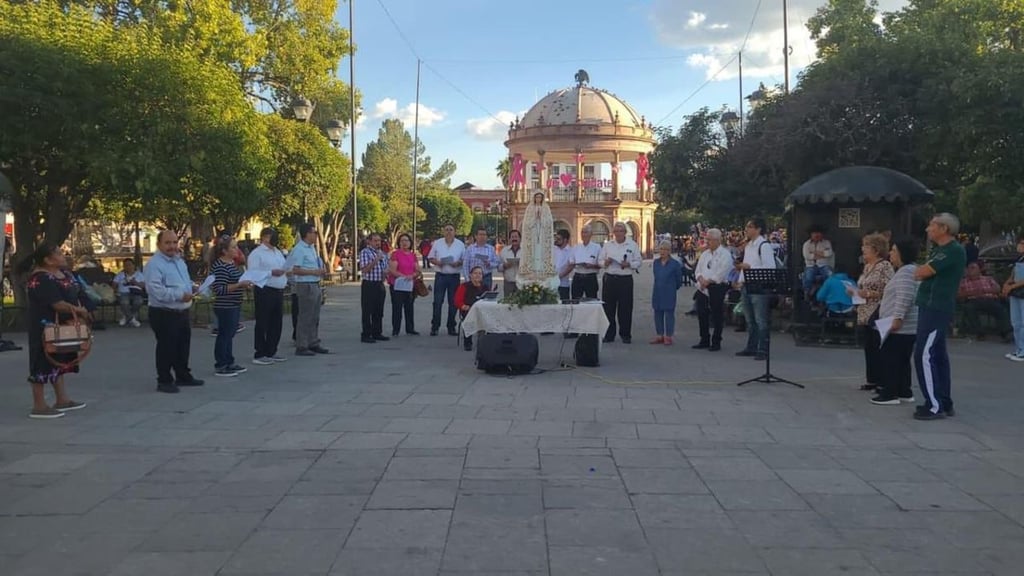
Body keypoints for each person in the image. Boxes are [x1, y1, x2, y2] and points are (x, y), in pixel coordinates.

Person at [22, 243, 89, 418]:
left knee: (59, 359)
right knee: (42, 361)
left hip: (63, 326)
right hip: (45, 326)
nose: (63, 255)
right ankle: (39, 405)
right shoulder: (41, 278)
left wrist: (85, 307)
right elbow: (57, 304)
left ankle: (62, 399)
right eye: (58, 253)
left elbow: (77, 291)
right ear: (48, 260)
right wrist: (79, 311)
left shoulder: (64, 274)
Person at [912, 213, 967, 420]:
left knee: (924, 354)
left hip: (936, 306)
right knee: (938, 354)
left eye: (932, 225)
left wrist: (920, 271)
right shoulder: (939, 249)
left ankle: (934, 405)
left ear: (944, 228)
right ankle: (943, 400)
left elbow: (923, 272)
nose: (928, 229)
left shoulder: (952, 250)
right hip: (929, 305)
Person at [144, 230, 204, 393]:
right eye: (167, 243)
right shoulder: (154, 265)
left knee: (182, 346)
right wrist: (179, 295)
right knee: (166, 347)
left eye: (174, 242)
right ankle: (164, 380)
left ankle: (183, 375)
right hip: (164, 312)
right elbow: (155, 290)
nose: (172, 246)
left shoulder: (179, 261)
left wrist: (192, 287)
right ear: (159, 244)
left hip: (181, 311)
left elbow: (183, 281)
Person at [870, 236, 920, 405]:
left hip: (900, 325)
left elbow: (904, 296)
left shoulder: (906, 272)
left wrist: (898, 318)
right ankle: (904, 390)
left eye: (893, 250)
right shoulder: (909, 270)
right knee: (902, 360)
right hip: (906, 326)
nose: (890, 253)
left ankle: (889, 393)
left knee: (891, 358)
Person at [850, 233, 894, 392]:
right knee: (868, 345)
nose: (863, 249)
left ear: (876, 250)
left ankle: (882, 380)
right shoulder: (867, 266)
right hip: (864, 310)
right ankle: (872, 378)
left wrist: (868, 294)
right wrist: (856, 292)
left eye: (866, 247)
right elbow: (864, 287)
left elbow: (890, 290)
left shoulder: (885, 266)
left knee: (878, 345)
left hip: (878, 310)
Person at [209, 237, 253, 377]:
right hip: (225, 305)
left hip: (234, 303)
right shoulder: (220, 266)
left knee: (230, 334)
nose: (237, 250)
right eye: (233, 247)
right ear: (224, 251)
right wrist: (239, 285)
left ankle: (229, 361)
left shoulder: (231, 264)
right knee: (224, 334)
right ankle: (221, 364)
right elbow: (219, 289)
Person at [735, 218, 777, 360]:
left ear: (758, 229)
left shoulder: (764, 245)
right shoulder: (749, 246)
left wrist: (749, 268)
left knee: (760, 319)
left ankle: (763, 349)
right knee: (750, 319)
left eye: (750, 227)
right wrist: (740, 280)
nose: (747, 229)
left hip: (759, 286)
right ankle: (751, 346)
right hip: (747, 285)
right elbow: (745, 265)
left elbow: (770, 268)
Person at [286, 223, 329, 356]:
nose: (316, 235)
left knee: (314, 316)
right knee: (305, 316)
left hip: (315, 283)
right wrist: (314, 272)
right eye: (314, 233)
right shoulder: (299, 249)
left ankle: (313, 341)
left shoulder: (311, 248)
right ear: (307, 234)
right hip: (305, 285)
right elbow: (295, 269)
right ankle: (302, 345)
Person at [247, 227, 288, 365]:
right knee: (263, 322)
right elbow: (253, 273)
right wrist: (270, 273)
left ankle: (272, 350)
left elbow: (284, 266)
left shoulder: (277, 252)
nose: (275, 238)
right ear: (264, 237)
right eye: (272, 236)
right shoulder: (256, 254)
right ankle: (260, 353)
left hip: (278, 290)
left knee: (276, 323)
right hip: (265, 290)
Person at [600, 222, 642, 344]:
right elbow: (600, 260)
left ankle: (625, 334)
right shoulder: (608, 245)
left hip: (625, 279)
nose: (618, 233)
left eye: (620, 231)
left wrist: (629, 264)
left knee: (625, 308)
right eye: (616, 231)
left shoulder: (632, 245)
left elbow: (638, 261)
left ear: (624, 232)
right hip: (610, 278)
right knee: (608, 308)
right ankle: (609, 334)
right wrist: (605, 263)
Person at [693, 228, 734, 351]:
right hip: (702, 288)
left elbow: (722, 272)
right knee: (702, 313)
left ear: (717, 240)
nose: (707, 242)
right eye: (707, 239)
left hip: (717, 287)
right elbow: (698, 269)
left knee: (716, 314)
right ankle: (704, 339)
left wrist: (709, 281)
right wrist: (700, 279)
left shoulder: (725, 254)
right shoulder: (705, 254)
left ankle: (716, 341)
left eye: (710, 240)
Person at [428, 224, 466, 336]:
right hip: (441, 275)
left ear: (455, 232)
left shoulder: (460, 244)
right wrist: (438, 262)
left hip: (454, 276)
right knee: (437, 302)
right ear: (443, 232)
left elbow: (464, 259)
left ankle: (451, 326)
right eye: (447, 230)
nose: (449, 232)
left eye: (451, 230)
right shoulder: (437, 243)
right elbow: (430, 257)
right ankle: (435, 326)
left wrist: (458, 263)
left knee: (453, 302)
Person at [957, 261, 1011, 340]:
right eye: (968, 268)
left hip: (990, 299)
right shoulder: (963, 281)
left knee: (1000, 309)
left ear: (979, 270)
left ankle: (1005, 333)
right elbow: (958, 295)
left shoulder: (988, 279)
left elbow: (997, 289)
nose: (969, 270)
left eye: (973, 268)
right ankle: (980, 333)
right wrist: (973, 292)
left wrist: (984, 291)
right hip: (973, 300)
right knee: (969, 308)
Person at [518, 192, 557, 288]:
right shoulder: (530, 208)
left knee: (541, 250)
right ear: (534, 198)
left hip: (543, 234)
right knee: (534, 250)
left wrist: (541, 218)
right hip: (533, 234)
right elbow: (526, 224)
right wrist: (535, 218)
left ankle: (543, 271)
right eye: (537, 197)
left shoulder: (546, 208)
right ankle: (531, 271)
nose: (538, 199)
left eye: (540, 197)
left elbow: (549, 223)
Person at [650, 240, 683, 345]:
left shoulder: (675, 264)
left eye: (665, 249)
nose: (663, 251)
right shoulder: (656, 263)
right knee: (657, 313)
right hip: (657, 291)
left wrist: (673, 287)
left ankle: (668, 336)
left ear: (669, 251)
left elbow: (679, 280)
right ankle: (659, 335)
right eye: (661, 249)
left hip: (669, 291)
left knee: (669, 313)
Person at [359, 233, 389, 344]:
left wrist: (386, 273)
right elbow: (364, 270)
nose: (378, 243)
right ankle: (366, 334)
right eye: (375, 241)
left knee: (378, 310)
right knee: (367, 310)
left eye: (379, 241)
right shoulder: (365, 253)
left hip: (379, 284)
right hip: (369, 284)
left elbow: (385, 268)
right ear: (369, 241)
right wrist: (376, 260)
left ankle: (377, 332)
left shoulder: (382, 254)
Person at [388, 233, 420, 336]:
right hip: (397, 284)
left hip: (410, 285)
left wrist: (412, 275)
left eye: (407, 240)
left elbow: (418, 270)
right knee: (397, 308)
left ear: (410, 243)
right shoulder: (395, 254)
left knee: (409, 307)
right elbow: (392, 269)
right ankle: (396, 329)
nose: (404, 243)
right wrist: (403, 276)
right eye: (402, 241)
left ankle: (410, 328)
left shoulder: (413, 255)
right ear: (399, 243)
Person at [455, 266, 489, 351]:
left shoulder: (485, 287)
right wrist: (463, 306)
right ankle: (468, 342)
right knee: (469, 318)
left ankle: (483, 342)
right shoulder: (464, 286)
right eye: (475, 273)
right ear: (470, 275)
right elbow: (457, 301)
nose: (477, 275)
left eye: (480, 273)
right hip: (468, 310)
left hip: (482, 311)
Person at [1004, 237, 1024, 362]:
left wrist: (1012, 286)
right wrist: (1007, 283)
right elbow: (1013, 274)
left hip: (1020, 292)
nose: (1020, 245)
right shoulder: (1019, 258)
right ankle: (1019, 348)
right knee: (1016, 323)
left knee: (1023, 324)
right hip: (1016, 293)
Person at [801, 226, 835, 297]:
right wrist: (822, 254)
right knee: (808, 277)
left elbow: (829, 253)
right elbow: (807, 256)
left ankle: (828, 292)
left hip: (823, 265)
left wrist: (814, 252)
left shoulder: (826, 243)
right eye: (815, 233)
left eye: (819, 233)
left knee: (830, 275)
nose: (817, 235)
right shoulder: (806, 244)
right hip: (810, 266)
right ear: (811, 234)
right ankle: (807, 293)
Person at [112, 258, 145, 327]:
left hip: (136, 292)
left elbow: (143, 285)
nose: (128, 267)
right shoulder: (120, 275)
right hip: (123, 292)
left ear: (133, 265)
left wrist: (135, 283)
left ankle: (126, 316)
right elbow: (114, 284)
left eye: (129, 265)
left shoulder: (139, 274)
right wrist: (115, 291)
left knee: (138, 302)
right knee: (124, 302)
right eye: (125, 265)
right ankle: (132, 319)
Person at [571, 225, 601, 299]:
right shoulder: (576, 247)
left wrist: (592, 266)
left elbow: (601, 264)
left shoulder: (597, 247)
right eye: (582, 232)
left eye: (586, 232)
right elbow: (571, 262)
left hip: (590, 277)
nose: (583, 234)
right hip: (578, 276)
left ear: (591, 234)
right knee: (576, 300)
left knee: (592, 300)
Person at [498, 229, 522, 295]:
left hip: (521, 283)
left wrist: (522, 264)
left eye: (516, 237)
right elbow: (498, 267)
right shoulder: (504, 251)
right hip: (508, 283)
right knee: (507, 304)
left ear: (520, 238)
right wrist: (504, 266)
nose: (514, 239)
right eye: (512, 237)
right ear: (509, 239)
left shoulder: (525, 251)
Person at [554, 229, 573, 301]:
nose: (556, 240)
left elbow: (570, 266)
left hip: (563, 284)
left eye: (559, 239)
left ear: (565, 240)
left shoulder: (571, 251)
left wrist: (559, 276)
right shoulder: (553, 249)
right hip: (552, 284)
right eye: (556, 238)